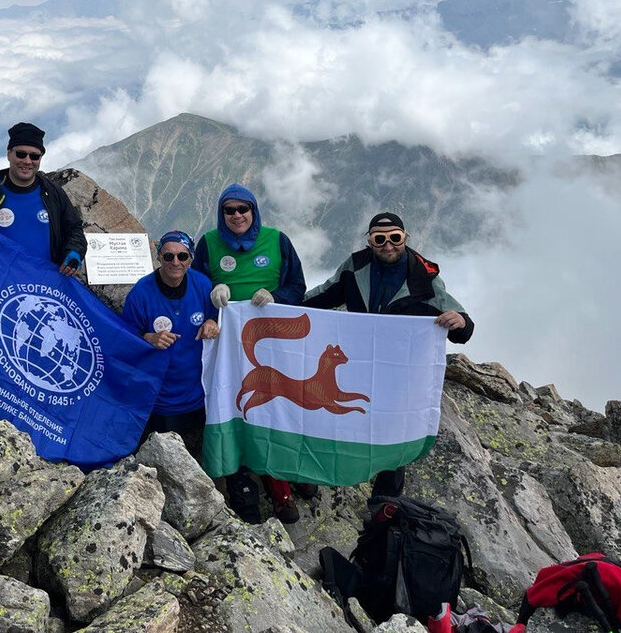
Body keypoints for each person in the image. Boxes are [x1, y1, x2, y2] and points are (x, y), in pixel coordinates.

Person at [304, 211, 474, 498]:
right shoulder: (356, 267)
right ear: (370, 241)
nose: (388, 245)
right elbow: (324, 295)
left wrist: (461, 321)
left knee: (391, 434)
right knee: (342, 419)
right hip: (357, 365)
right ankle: (329, 477)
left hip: (398, 374)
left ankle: (384, 504)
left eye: (395, 238)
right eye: (379, 239)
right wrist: (278, 305)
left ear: (405, 238)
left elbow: (462, 329)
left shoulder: (423, 278)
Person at [192, 182, 308, 524]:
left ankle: (287, 480)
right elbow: (195, 290)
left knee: (276, 407)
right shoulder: (208, 245)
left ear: (254, 212)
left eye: (244, 209)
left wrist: (276, 297)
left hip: (273, 345)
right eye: (230, 210)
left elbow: (297, 288)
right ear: (221, 214)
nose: (237, 215)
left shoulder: (277, 240)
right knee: (235, 408)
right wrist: (212, 296)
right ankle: (244, 491)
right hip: (227, 348)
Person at [121, 231, 219, 460]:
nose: (176, 262)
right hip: (160, 399)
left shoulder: (203, 285)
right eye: (168, 256)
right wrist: (149, 338)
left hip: (198, 395)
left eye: (182, 256)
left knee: (197, 458)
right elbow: (125, 337)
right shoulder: (141, 293)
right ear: (158, 257)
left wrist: (212, 321)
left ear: (191, 258)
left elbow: (218, 316)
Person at [0, 122, 86, 274]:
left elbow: (74, 229)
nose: (27, 161)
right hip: (0, 285)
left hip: (45, 284)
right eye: (20, 154)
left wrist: (75, 252)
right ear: (8, 153)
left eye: (34, 156)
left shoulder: (53, 193)